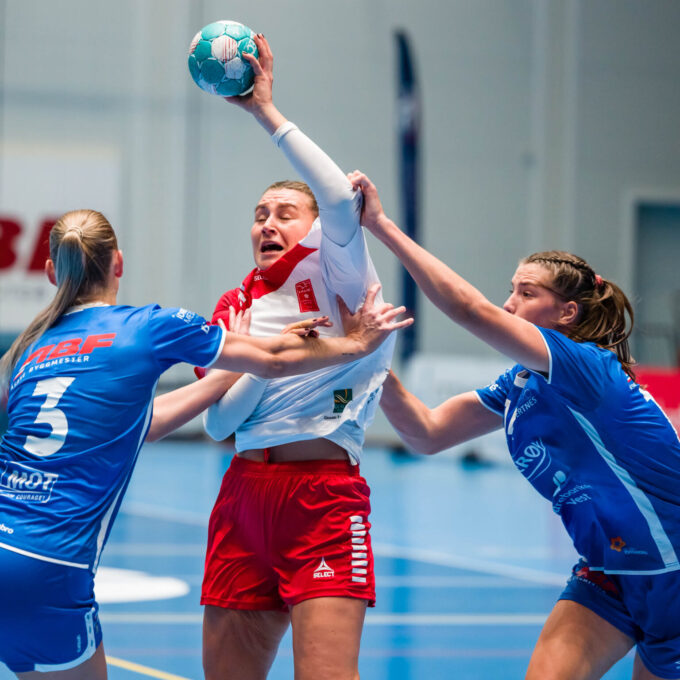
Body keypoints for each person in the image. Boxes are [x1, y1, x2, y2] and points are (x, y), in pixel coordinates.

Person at [0, 209, 408, 679]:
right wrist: (357, 343)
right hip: (48, 566)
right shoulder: (147, 326)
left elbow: (144, 424)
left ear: (52, 272)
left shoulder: (26, 350)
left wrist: (226, 375)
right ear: (119, 263)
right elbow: (275, 358)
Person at [347, 171, 680, 680]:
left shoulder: (587, 368)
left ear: (566, 313)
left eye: (526, 293)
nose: (509, 303)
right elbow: (426, 433)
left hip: (672, 570)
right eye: (510, 291)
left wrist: (381, 226)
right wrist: (372, 359)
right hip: (607, 571)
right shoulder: (520, 385)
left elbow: (469, 310)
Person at [197, 35, 400, 680]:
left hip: (324, 500)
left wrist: (263, 110)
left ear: (313, 230)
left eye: (284, 213)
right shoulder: (236, 306)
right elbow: (218, 424)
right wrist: (274, 358)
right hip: (244, 494)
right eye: (260, 214)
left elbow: (340, 197)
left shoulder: (336, 269)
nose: (267, 223)